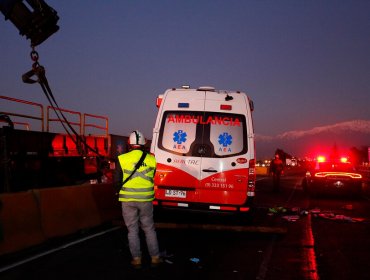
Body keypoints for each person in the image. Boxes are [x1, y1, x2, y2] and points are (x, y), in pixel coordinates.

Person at [116, 130, 161, 268]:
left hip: (127, 200)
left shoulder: (121, 159)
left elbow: (116, 180)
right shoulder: (152, 159)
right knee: (149, 229)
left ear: (129, 143)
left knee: (133, 230)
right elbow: (152, 176)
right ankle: (155, 258)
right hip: (146, 200)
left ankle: (137, 259)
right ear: (144, 143)